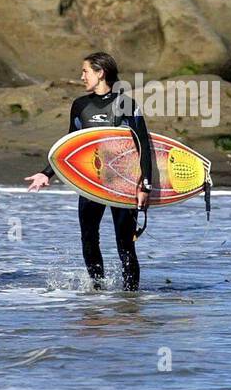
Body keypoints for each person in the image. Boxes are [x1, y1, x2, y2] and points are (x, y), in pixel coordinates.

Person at [24, 52, 153, 291]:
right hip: (91, 183)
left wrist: (145, 185)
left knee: (125, 244)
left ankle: (131, 299)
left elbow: (143, 146)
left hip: (122, 183)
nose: (81, 76)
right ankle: (97, 289)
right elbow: (70, 146)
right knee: (89, 238)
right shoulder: (80, 106)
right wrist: (46, 173)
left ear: (100, 72)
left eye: (85, 71)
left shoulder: (126, 104)